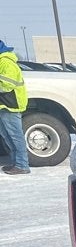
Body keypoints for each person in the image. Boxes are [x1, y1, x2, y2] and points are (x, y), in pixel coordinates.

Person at [0, 40, 30, 175]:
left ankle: (22, 165)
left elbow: (7, 85)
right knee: (8, 137)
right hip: (4, 105)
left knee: (15, 136)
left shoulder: (6, 62)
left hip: (10, 106)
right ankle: (16, 163)